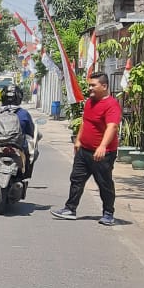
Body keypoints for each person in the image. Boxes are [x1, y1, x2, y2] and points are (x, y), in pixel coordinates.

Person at [51, 72, 120, 225]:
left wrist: (102, 146)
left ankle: (108, 213)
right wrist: (78, 140)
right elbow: (85, 121)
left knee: (104, 183)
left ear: (104, 86)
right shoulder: (90, 101)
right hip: (84, 150)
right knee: (76, 179)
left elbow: (112, 127)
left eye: (93, 85)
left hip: (103, 154)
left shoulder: (111, 105)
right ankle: (70, 209)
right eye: (89, 85)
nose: (90, 88)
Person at [0, 84, 37, 178]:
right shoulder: (24, 113)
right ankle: (25, 176)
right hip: (18, 146)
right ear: (19, 97)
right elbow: (30, 132)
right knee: (32, 150)